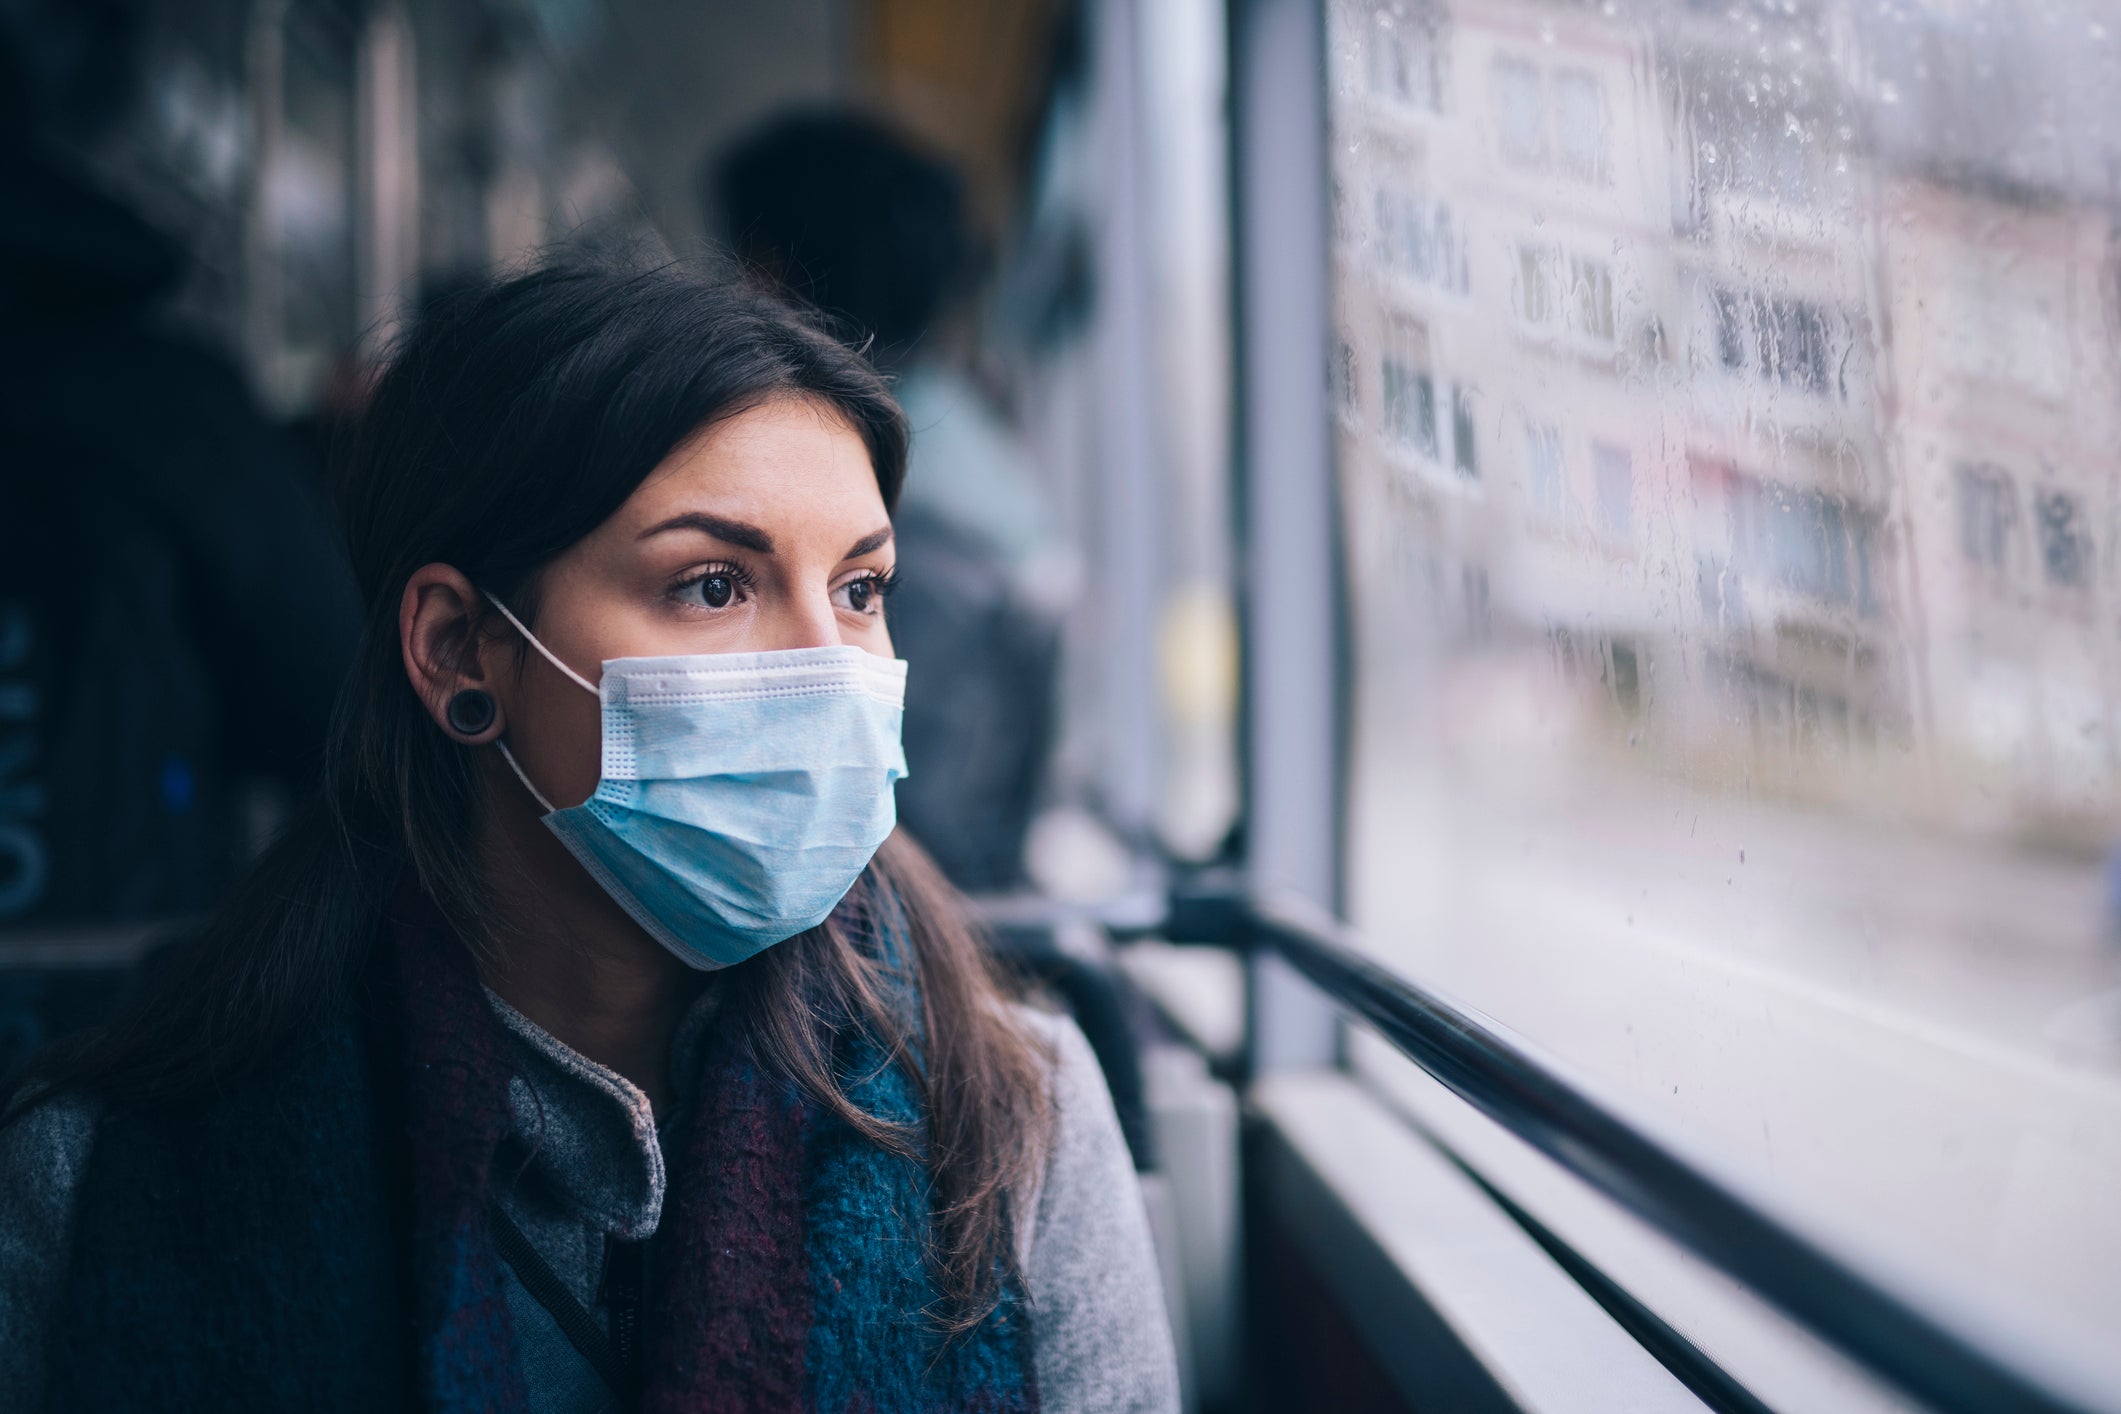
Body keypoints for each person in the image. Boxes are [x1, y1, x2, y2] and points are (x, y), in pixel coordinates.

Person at [0, 261, 1180, 1413]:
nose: (829, 667)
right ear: (461, 648)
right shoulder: (97, 1173)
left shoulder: (1012, 1121)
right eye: (715, 585)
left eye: (861, 590)